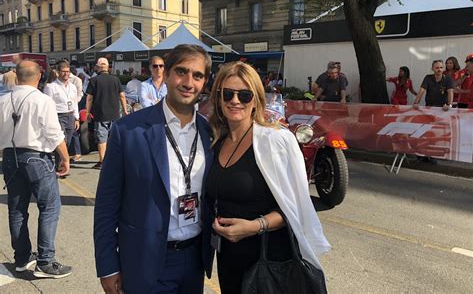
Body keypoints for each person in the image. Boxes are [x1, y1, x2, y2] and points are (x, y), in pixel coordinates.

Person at [94, 44, 214, 293]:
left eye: (198, 75)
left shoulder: (210, 132)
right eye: (181, 72)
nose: (188, 82)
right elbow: (106, 205)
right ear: (166, 75)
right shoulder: (127, 130)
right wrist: (107, 266)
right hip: (144, 261)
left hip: (194, 260)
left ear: (205, 82)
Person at [206, 61, 330, 294]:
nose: (235, 101)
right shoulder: (217, 141)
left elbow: (297, 206)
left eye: (244, 95)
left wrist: (255, 226)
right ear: (218, 97)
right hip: (228, 260)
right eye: (228, 94)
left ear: (256, 100)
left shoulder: (276, 140)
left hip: (270, 261)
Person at [0, 60, 72, 278]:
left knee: (17, 208)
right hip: (36, 157)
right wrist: (65, 158)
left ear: (17, 76)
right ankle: (46, 261)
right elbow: (53, 134)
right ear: (39, 77)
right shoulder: (42, 100)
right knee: (49, 207)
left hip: (10, 157)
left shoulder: (3, 100)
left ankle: (22, 258)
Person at [85, 58, 128, 170]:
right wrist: (125, 110)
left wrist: (88, 112)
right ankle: (117, 160)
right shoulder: (115, 79)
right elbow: (122, 95)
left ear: (98, 67)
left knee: (102, 138)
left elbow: (89, 98)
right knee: (114, 138)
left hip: (101, 115)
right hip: (115, 114)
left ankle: (103, 161)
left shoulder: (94, 80)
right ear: (108, 67)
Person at [43, 61, 80, 175]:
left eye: (67, 72)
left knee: (68, 141)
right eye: (63, 72)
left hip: (70, 115)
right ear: (58, 72)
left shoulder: (72, 87)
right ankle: (60, 166)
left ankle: (62, 162)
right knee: (61, 141)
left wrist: (76, 118)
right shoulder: (51, 87)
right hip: (58, 116)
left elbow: (74, 103)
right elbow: (47, 104)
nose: (66, 74)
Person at [69, 65, 84, 162]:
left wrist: (74, 102)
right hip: (64, 108)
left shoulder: (77, 80)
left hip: (73, 107)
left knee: (74, 131)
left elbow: (80, 94)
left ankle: (77, 152)